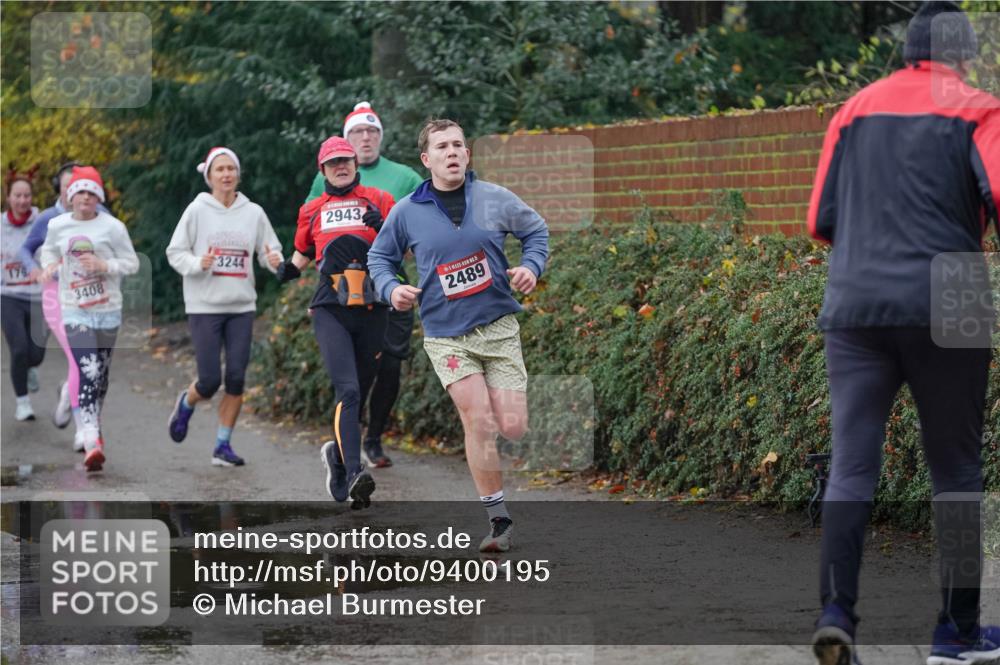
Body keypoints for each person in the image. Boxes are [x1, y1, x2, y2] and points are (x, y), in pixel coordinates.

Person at [807, 3, 999, 664]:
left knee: (852, 466)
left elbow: (820, 218)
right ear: (964, 54)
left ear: (908, 50)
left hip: (855, 300)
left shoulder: (853, 110)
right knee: (957, 470)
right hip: (953, 297)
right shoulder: (980, 110)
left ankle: (836, 615)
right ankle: (957, 633)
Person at [368, 119, 549, 553]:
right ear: (426, 159)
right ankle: (499, 520)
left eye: (458, 145)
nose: (451, 152)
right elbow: (379, 258)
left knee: (513, 426)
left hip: (498, 328)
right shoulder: (407, 211)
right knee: (478, 419)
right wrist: (392, 290)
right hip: (446, 336)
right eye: (442, 147)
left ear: (467, 154)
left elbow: (536, 231)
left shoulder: (493, 198)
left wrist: (531, 267)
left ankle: (496, 464)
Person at [276, 135, 394, 508]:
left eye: (346, 160)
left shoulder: (380, 200)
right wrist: (286, 269)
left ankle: (337, 458)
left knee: (362, 388)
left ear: (356, 164)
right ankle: (356, 473)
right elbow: (302, 253)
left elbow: (406, 247)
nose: (340, 167)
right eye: (333, 163)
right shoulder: (311, 210)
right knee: (349, 391)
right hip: (331, 308)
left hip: (374, 307)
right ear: (322, 169)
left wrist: (386, 226)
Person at [306, 101, 424, 468]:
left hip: (391, 287)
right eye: (358, 131)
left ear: (380, 137)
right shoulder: (326, 176)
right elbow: (312, 235)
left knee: (389, 366)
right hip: (342, 291)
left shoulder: (404, 177)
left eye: (372, 131)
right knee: (352, 375)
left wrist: (388, 225)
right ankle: (349, 439)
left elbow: (422, 229)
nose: (366, 137)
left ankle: (373, 438)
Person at [166, 147, 283, 467]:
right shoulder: (197, 210)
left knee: (235, 378)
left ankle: (222, 445)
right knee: (208, 381)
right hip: (204, 305)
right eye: (220, 169)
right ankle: (186, 403)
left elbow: (269, 251)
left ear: (238, 174)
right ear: (209, 176)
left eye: (231, 168)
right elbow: (175, 252)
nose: (227, 174)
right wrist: (197, 263)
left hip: (242, 305)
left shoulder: (253, 212)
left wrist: (274, 260)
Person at [39, 166, 140, 472]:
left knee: (101, 377)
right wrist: (50, 266)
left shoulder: (113, 228)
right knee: (88, 369)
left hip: (107, 310)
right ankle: (91, 438)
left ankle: (93, 424)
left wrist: (104, 265)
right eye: (80, 192)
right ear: (70, 196)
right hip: (74, 308)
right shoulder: (57, 225)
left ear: (99, 198)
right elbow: (47, 252)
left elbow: (132, 263)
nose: (85, 197)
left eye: (91, 192)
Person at [21, 162, 110, 448]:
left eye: (83, 187)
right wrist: (34, 269)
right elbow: (26, 249)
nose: (76, 192)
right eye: (68, 186)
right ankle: (84, 429)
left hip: (91, 295)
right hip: (56, 295)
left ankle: (67, 395)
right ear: (60, 188)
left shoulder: (102, 215)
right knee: (78, 358)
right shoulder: (49, 218)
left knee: (94, 362)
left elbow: (115, 248)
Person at [2, 167, 46, 421]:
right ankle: (22, 402)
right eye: (17, 196)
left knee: (36, 354)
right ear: (8, 197)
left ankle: (29, 368)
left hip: (40, 296)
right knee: (19, 349)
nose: (22, 200)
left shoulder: (44, 222)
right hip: (8, 295)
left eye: (26, 195)